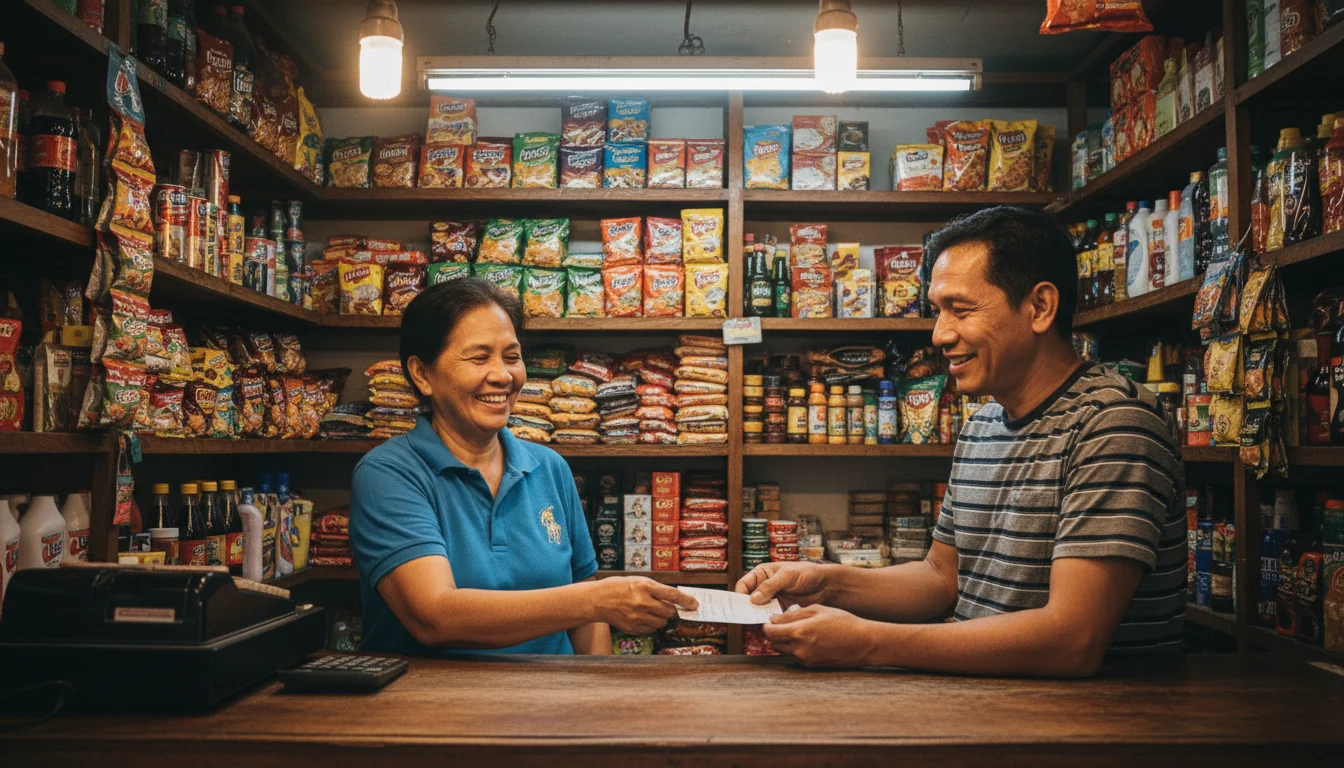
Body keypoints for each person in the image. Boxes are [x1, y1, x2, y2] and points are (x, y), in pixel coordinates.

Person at [737, 207, 1185, 676]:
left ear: (1040, 307)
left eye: (961, 309)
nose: (939, 334)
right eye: (937, 311)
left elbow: (1073, 639)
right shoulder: (985, 423)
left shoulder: (1114, 421)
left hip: (1097, 733)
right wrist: (827, 584)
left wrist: (867, 643)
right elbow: (941, 579)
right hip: (992, 712)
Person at [350, 278, 696, 656]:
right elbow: (434, 616)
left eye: (512, 357)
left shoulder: (549, 468)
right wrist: (595, 599)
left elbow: (586, 613)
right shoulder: (388, 474)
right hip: (434, 709)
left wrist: (599, 692)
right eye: (479, 358)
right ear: (422, 374)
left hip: (552, 704)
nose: (502, 375)